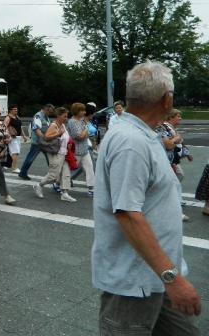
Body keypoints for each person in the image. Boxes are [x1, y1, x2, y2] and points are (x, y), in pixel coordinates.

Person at [92, 61, 201, 335]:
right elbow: (128, 214)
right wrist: (172, 278)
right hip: (134, 283)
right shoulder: (131, 142)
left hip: (157, 276)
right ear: (167, 99)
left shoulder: (143, 134)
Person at [32, 107, 77, 202]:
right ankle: (38, 185)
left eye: (67, 116)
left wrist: (69, 143)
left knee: (66, 174)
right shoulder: (54, 125)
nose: (66, 118)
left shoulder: (63, 125)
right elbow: (46, 137)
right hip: (56, 153)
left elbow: (66, 137)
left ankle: (65, 194)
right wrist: (58, 134)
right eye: (64, 116)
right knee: (53, 175)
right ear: (58, 116)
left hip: (64, 153)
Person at [158, 109, 191, 222]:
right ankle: (175, 211)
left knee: (174, 183)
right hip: (166, 161)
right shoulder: (161, 127)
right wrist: (176, 138)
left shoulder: (165, 127)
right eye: (178, 116)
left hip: (169, 161)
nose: (180, 118)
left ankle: (171, 206)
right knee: (174, 185)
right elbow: (169, 145)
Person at [67, 102, 95, 197]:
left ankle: (91, 188)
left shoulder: (82, 121)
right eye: (82, 110)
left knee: (90, 168)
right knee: (69, 169)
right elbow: (79, 136)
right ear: (77, 111)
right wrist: (86, 129)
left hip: (84, 150)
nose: (84, 112)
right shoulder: (72, 122)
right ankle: (57, 183)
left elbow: (86, 135)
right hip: (76, 150)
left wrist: (85, 130)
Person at [3, 104, 25, 173]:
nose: (16, 110)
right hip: (12, 137)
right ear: (10, 110)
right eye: (14, 109)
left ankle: (5, 165)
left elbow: (20, 127)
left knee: (12, 152)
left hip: (18, 137)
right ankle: (14, 168)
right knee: (15, 152)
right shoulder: (8, 118)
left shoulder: (17, 117)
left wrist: (24, 136)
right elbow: (4, 127)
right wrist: (8, 136)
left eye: (16, 109)